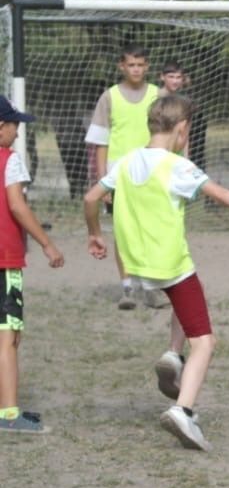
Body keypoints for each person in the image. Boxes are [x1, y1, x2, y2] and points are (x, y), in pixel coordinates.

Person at [85, 95, 229, 451]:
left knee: (187, 303)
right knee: (205, 342)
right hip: (171, 265)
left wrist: (94, 233)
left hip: (137, 266)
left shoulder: (125, 162)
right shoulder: (177, 167)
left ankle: (173, 354)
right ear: (182, 130)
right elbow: (221, 194)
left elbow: (91, 198)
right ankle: (182, 410)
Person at [0, 97, 65, 435]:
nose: (17, 132)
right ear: (1, 127)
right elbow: (17, 206)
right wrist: (46, 243)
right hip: (4, 261)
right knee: (8, 337)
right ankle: (9, 414)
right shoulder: (10, 160)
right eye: (15, 125)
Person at [84, 44, 160, 309]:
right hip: (119, 177)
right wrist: (102, 180)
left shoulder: (158, 95)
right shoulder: (110, 97)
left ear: (147, 66)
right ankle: (127, 287)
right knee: (124, 230)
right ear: (122, 67)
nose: (136, 69)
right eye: (131, 65)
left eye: (140, 65)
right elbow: (100, 142)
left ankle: (150, 285)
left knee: (150, 230)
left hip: (152, 173)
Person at [159, 62, 210, 172]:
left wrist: (186, 160)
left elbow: (185, 135)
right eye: (171, 77)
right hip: (158, 153)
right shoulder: (154, 98)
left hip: (177, 156)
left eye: (178, 77)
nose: (175, 81)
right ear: (162, 77)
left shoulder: (184, 102)